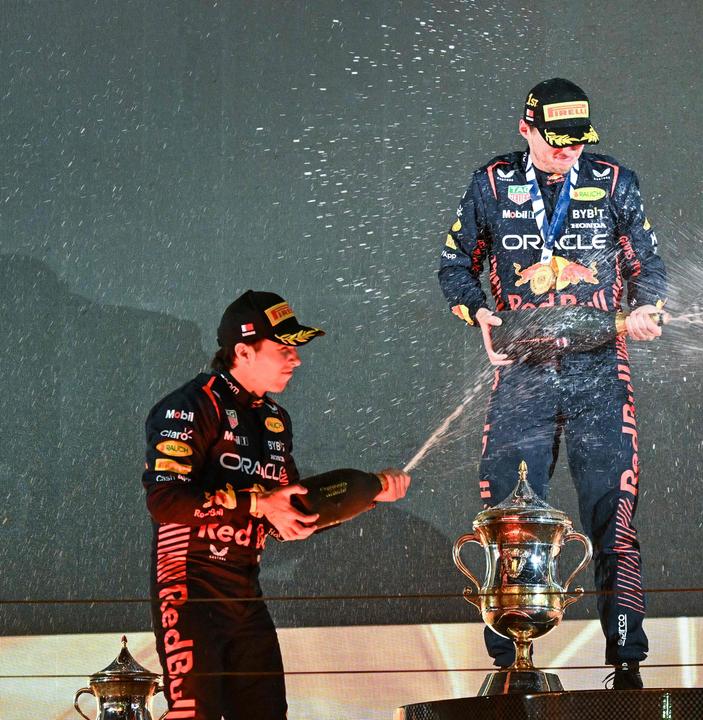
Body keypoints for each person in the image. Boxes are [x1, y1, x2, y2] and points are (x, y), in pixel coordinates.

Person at [438, 78, 666, 689]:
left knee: (612, 518)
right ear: (526, 129)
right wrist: (479, 313)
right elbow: (454, 265)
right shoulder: (491, 183)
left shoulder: (615, 180)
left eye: (577, 141)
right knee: (508, 522)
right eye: (556, 141)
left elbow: (649, 263)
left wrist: (649, 309)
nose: (569, 152)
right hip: (521, 376)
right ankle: (510, 663)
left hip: (600, 375)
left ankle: (627, 663)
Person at [142, 290, 411, 719]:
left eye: (296, 349)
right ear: (243, 351)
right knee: (196, 714)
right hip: (190, 589)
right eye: (284, 348)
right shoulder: (189, 407)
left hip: (246, 591)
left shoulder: (274, 420)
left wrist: (368, 495)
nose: (296, 359)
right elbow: (165, 501)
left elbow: (288, 514)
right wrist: (256, 503)